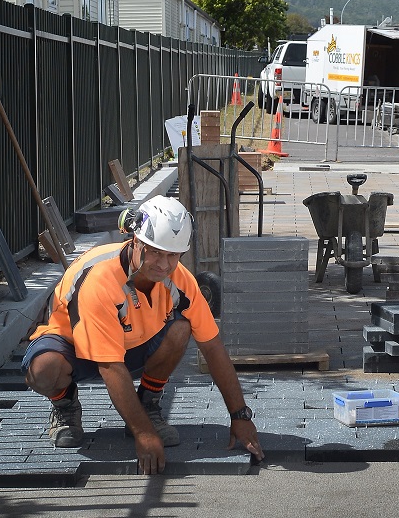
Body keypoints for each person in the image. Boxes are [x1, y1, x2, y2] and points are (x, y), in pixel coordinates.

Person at [21, 195, 264, 473]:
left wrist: (240, 414)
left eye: (172, 255)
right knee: (44, 370)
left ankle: (148, 402)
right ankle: (64, 404)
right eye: (155, 252)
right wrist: (144, 434)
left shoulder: (181, 281)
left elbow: (212, 347)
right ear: (135, 242)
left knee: (181, 328)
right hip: (70, 347)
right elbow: (109, 366)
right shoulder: (100, 279)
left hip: (126, 346)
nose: (163, 264)